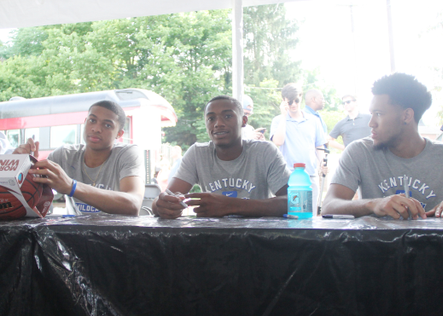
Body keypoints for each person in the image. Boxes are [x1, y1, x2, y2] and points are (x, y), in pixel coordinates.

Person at [322, 73, 443, 219]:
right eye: (371, 114)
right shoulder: (359, 152)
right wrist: (374, 204)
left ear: (406, 115)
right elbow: (329, 206)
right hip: (374, 248)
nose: (371, 123)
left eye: (378, 114)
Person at [153, 95, 290, 219]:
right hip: (212, 240)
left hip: (258, 240)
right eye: (211, 118)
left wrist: (232, 206)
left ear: (243, 121)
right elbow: (165, 199)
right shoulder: (197, 154)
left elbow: (294, 202)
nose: (218, 123)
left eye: (228, 116)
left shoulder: (265, 152)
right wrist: (162, 205)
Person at [23, 100, 145, 215]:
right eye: (92, 120)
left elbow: (133, 205)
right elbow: (28, 196)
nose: (96, 129)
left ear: (119, 134)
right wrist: (21, 165)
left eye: (107, 125)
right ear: (85, 122)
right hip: (73, 235)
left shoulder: (127, 154)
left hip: (114, 235)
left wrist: (72, 187)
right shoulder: (64, 155)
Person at [270, 83, 326, 211]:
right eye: (290, 102)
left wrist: (322, 162)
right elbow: (278, 141)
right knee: (289, 214)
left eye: (296, 100)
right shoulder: (278, 120)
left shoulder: (314, 120)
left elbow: (319, 145)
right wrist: (284, 116)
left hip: (310, 174)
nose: (294, 105)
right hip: (287, 175)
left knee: (309, 215)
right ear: (284, 101)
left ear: (301, 97)